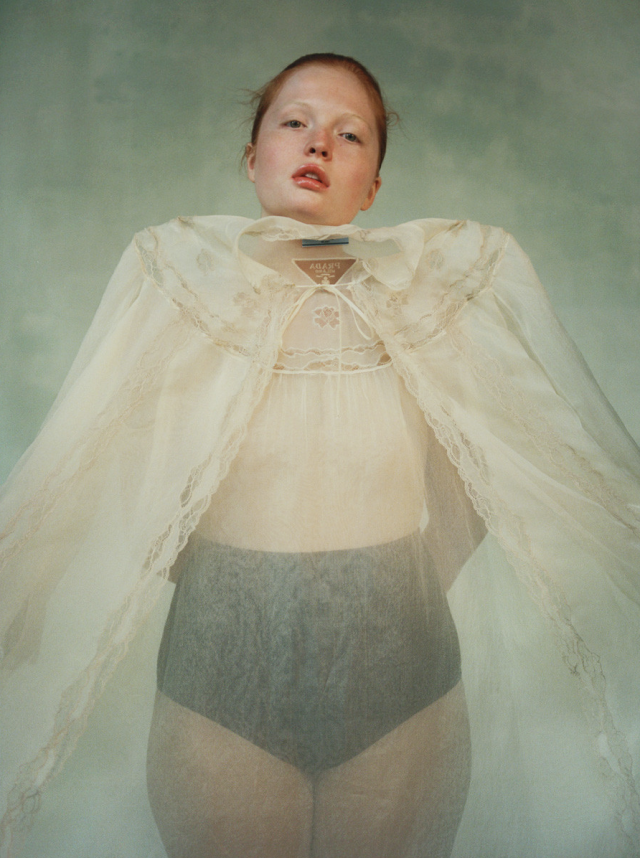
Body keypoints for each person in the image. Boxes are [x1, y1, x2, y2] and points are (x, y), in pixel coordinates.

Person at [1, 53, 640, 858]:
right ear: (253, 157)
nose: (319, 144)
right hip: (218, 678)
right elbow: (100, 456)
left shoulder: (429, 298)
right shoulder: (177, 284)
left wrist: (389, 592)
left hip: (403, 677)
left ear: (372, 186)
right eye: (295, 122)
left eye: (351, 134)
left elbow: (489, 464)